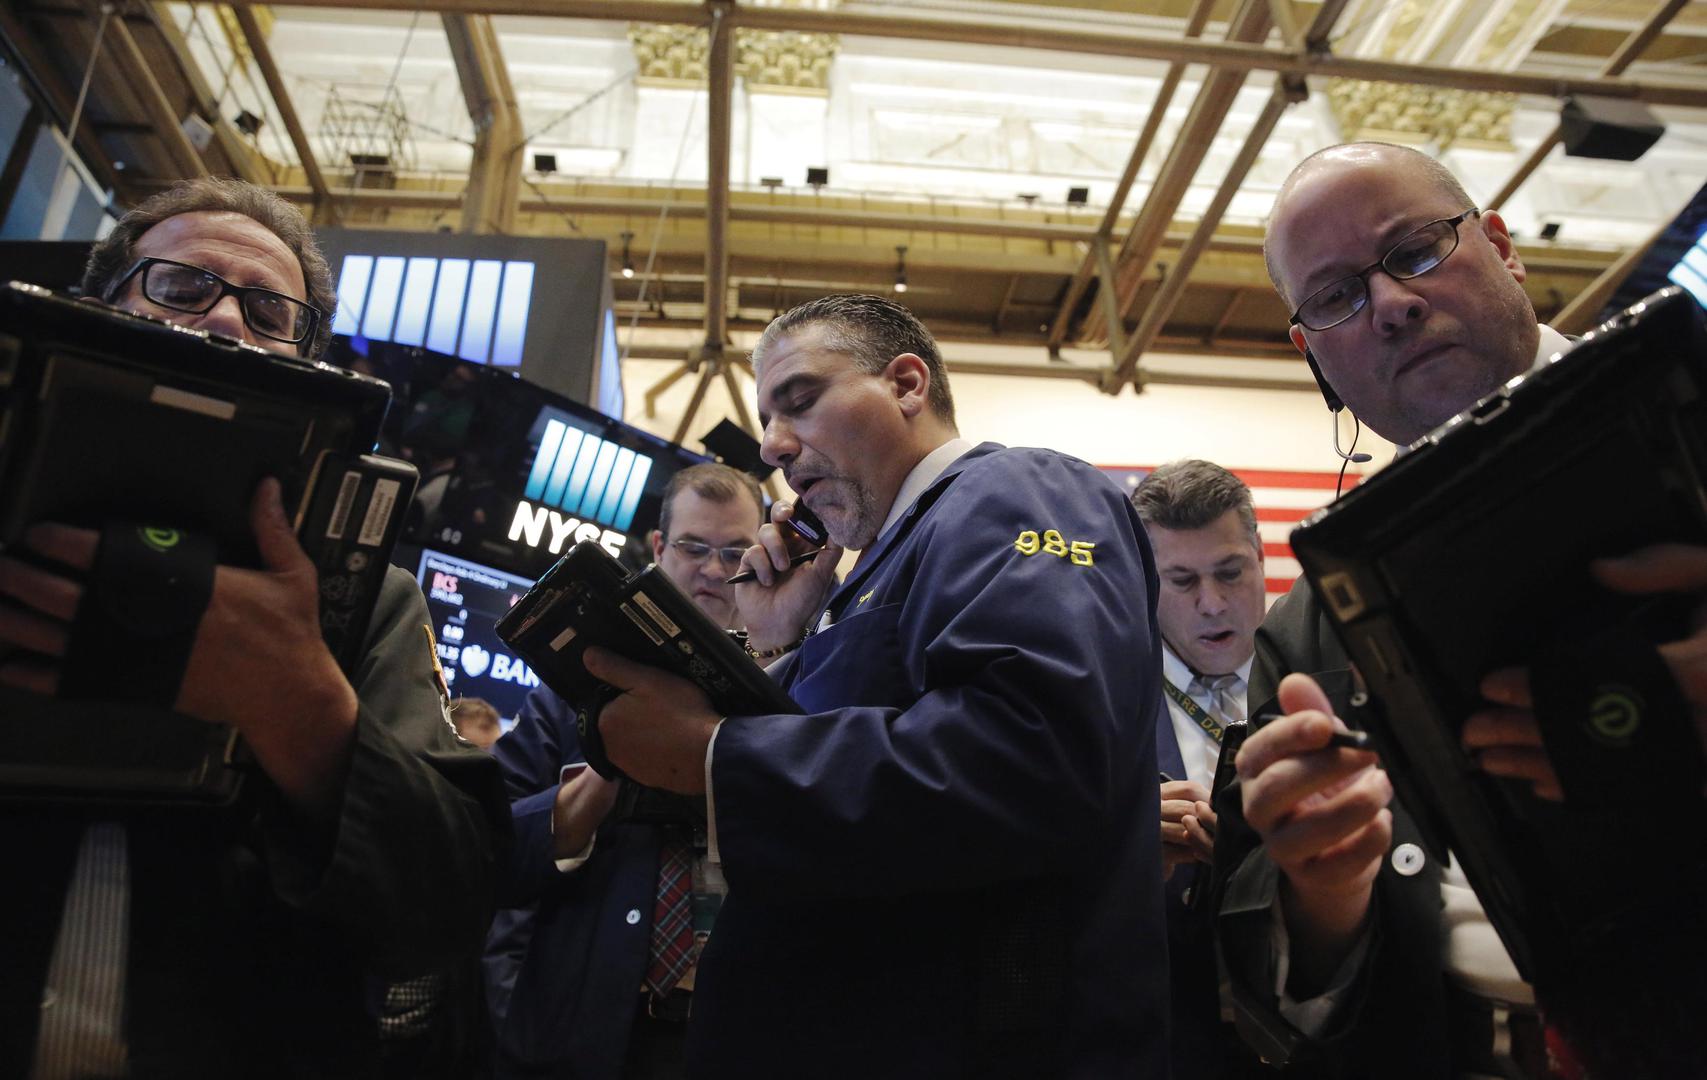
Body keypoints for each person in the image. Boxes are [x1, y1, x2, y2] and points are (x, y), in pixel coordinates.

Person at [576, 294, 1169, 1077]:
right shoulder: (880, 564)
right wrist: (782, 641)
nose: (774, 445)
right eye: (767, 420)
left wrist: (716, 754)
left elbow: (1031, 758)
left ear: (907, 385)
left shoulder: (1020, 489)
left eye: (799, 401)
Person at [1216, 140, 1707, 1078]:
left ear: (1501, 246)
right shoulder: (1306, 629)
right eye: (1335, 296)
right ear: (1313, 355)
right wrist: (1321, 891)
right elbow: (1274, 969)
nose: (1392, 305)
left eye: (1413, 252)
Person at [0, 177, 509, 1077]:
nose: (228, 321)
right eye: (181, 287)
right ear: (101, 305)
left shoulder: (368, 601)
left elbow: (445, 908)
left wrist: (300, 703)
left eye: (271, 312)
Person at [484, 462, 765, 1080]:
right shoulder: (572, 689)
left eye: (734, 552)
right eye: (694, 547)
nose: (713, 569)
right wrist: (607, 767)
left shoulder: (787, 688)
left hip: (736, 1037)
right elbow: (485, 850)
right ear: (659, 547)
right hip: (577, 1034)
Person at [1132, 460, 1269, 1080]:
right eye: (1182, 580)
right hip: (1169, 1038)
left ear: (1260, 559)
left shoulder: (1329, 672)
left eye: (1230, 572)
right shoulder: (1102, 700)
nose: (1212, 604)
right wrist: (1126, 840)